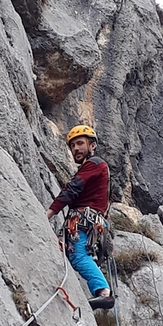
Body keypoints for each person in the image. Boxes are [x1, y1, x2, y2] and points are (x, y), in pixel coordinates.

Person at [46, 125, 115, 310]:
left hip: (84, 219)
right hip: (92, 221)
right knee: (78, 256)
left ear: (92, 145)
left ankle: (104, 293)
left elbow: (73, 189)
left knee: (78, 256)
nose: (76, 148)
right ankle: (102, 290)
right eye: (73, 146)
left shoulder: (94, 164)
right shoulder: (96, 168)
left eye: (80, 143)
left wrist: (49, 213)